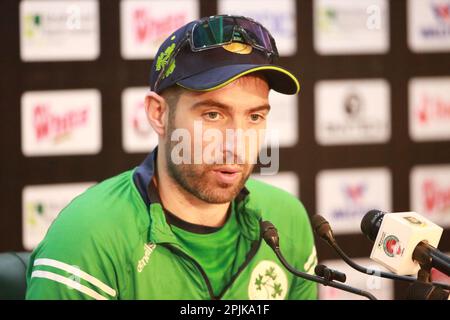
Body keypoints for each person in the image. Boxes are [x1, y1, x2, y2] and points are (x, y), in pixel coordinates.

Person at [26, 15, 317, 300]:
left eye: (254, 116)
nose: (237, 145)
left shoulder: (287, 220)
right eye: (213, 114)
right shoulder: (87, 238)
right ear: (158, 114)